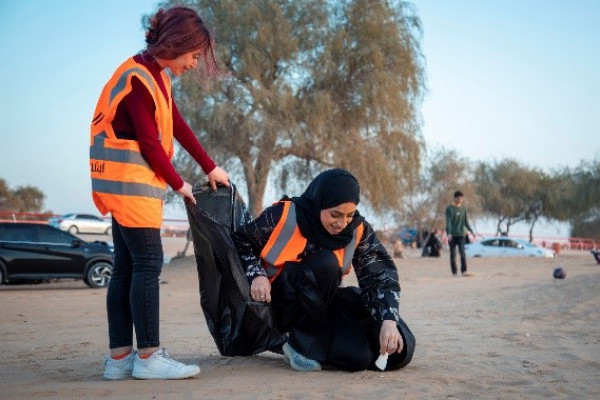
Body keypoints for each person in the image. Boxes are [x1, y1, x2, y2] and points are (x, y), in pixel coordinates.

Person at [90, 6, 229, 380]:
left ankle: (119, 360)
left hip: (122, 188)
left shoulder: (153, 75)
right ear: (179, 43)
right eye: (195, 55)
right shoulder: (139, 79)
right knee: (148, 266)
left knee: (125, 269)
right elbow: (151, 145)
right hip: (131, 190)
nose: (196, 64)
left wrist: (209, 165)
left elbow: (176, 124)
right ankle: (149, 356)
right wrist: (181, 185)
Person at [232, 169, 414, 372]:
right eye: (335, 214)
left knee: (367, 357)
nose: (342, 224)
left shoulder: (357, 229)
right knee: (325, 263)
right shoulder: (282, 215)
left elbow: (378, 274)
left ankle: (315, 346)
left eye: (349, 215)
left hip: (322, 303)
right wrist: (256, 274)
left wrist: (388, 321)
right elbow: (241, 242)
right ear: (319, 202)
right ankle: (300, 345)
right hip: (280, 303)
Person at [445, 190, 475, 276]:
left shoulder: (463, 209)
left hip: (461, 234)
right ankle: (454, 272)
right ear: (455, 198)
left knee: (462, 253)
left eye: (461, 198)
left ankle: (464, 270)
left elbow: (466, 222)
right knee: (453, 254)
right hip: (452, 235)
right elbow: (448, 222)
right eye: (458, 198)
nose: (460, 199)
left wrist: (471, 231)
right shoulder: (449, 209)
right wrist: (449, 233)